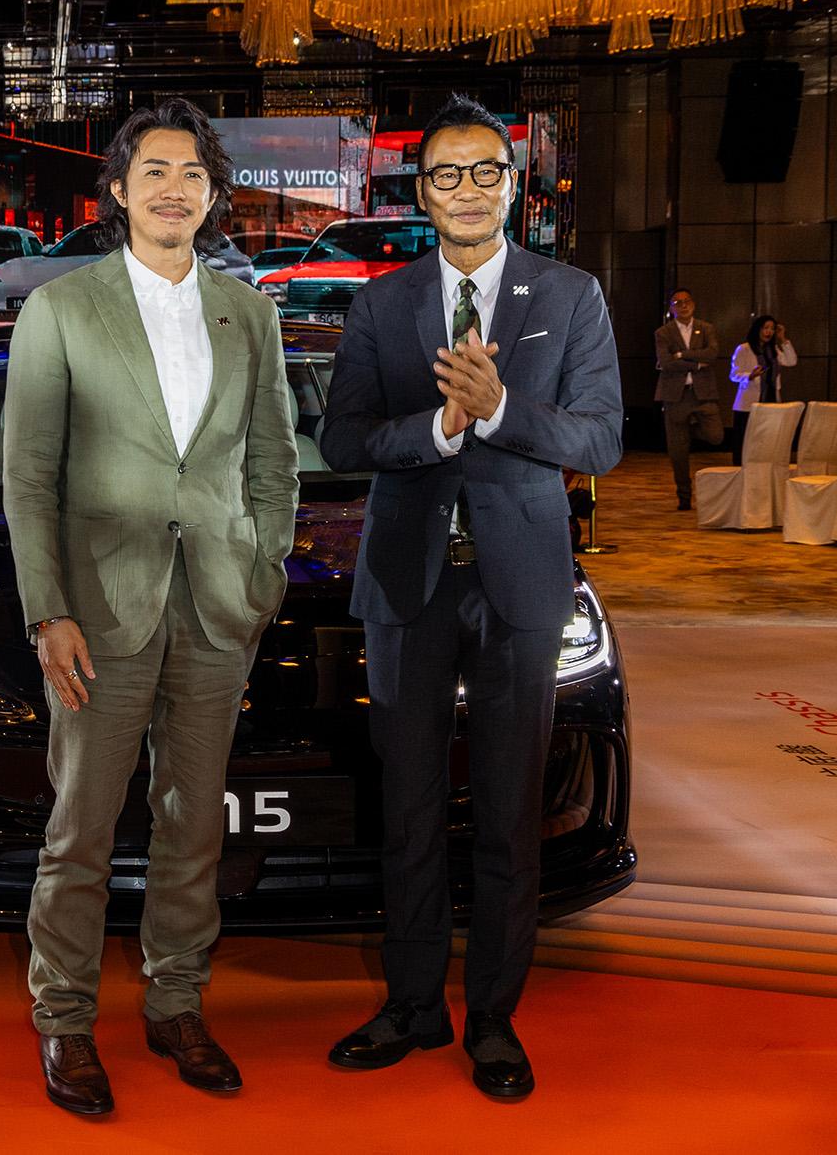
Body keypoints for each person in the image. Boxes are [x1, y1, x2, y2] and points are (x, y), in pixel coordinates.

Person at [318, 94, 622, 1100]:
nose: (465, 189)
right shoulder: (381, 303)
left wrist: (496, 411)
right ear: (421, 191)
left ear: (511, 184)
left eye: (484, 171)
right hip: (406, 581)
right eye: (445, 174)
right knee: (406, 807)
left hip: (520, 582)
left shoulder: (568, 295)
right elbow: (342, 439)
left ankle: (492, 1016)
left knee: (505, 808)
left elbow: (600, 439)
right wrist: (437, 431)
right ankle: (412, 1003)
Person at [3, 97, 300, 1115]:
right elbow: (28, 474)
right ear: (119, 190)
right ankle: (64, 1019)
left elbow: (273, 460)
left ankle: (176, 1005)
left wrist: (262, 572)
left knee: (192, 826)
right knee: (80, 829)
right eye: (155, 172)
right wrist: (47, 608)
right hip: (97, 613)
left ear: (213, 195)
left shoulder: (249, 313)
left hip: (217, 607)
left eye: (193, 174)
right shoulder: (60, 309)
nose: (175, 189)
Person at [653, 286, 725, 509]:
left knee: (716, 436)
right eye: (678, 303)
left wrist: (682, 355)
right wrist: (697, 363)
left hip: (703, 393)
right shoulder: (663, 333)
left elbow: (712, 354)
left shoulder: (706, 328)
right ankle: (684, 496)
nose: (683, 306)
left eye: (687, 302)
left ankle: (691, 430)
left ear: (693, 304)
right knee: (678, 452)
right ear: (671, 308)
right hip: (676, 396)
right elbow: (666, 362)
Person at [729, 315, 797, 463]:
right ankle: (741, 471)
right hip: (748, 404)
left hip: (771, 401)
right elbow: (733, 375)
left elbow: (791, 361)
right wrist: (750, 375)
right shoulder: (744, 349)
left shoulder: (773, 350)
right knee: (745, 444)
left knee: (766, 442)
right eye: (765, 328)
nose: (769, 332)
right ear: (757, 329)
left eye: (772, 329)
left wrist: (783, 339)